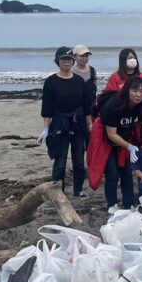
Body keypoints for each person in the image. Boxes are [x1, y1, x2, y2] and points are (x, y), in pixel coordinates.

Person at [89, 77, 142, 212]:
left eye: (141, 91)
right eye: (134, 90)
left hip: (125, 139)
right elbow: (111, 134)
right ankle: (112, 203)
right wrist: (130, 147)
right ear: (127, 90)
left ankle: (129, 203)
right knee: (112, 172)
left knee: (127, 172)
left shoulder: (140, 105)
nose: (138, 94)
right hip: (107, 140)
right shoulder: (113, 106)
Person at [39, 47, 93, 198]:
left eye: (69, 59)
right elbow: (47, 108)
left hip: (78, 124)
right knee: (60, 161)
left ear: (73, 61)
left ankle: (78, 190)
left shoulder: (79, 81)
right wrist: (45, 128)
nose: (66, 62)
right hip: (59, 125)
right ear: (57, 61)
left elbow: (86, 106)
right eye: (63, 59)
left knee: (79, 161)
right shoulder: (50, 82)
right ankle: (58, 193)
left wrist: (90, 125)